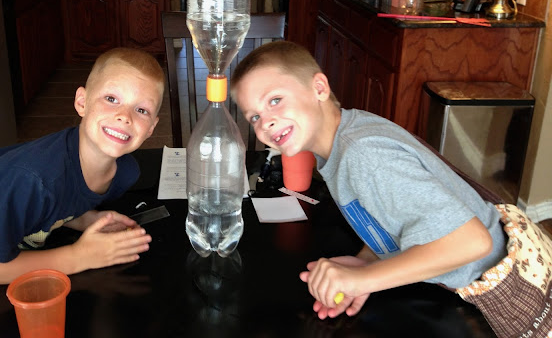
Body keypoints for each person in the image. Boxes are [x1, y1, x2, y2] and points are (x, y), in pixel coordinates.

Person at [230, 40, 552, 337]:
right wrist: (369, 262)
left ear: (319, 88)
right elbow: (394, 214)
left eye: (275, 100)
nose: (265, 122)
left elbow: (472, 242)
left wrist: (363, 279)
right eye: (254, 116)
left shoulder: (364, 155)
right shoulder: (342, 141)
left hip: (506, 297)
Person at [0, 47, 165, 328]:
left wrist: (86, 219)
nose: (124, 116)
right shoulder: (36, 180)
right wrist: (79, 256)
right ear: (82, 102)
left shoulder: (123, 173)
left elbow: (60, 198)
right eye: (111, 99)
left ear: (151, 127)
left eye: (141, 110)